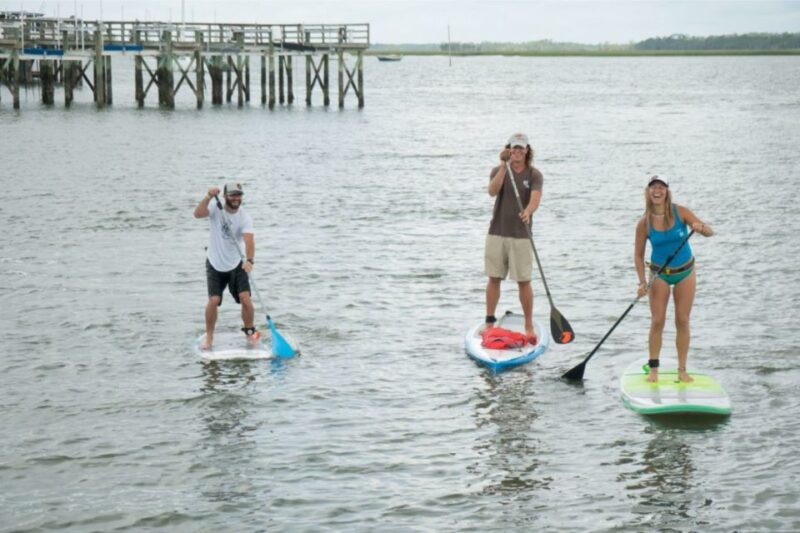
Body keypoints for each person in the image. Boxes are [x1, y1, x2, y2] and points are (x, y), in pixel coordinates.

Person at [634, 175, 714, 383]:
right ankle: (653, 370)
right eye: (653, 187)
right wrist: (642, 282)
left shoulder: (681, 212)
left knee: (682, 319)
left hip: (685, 272)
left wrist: (701, 227)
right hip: (659, 274)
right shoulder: (644, 223)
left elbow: (710, 232)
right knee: (657, 321)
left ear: (667, 191)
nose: (657, 191)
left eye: (661, 187)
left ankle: (682, 370)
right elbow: (638, 255)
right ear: (648, 192)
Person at [484, 132, 543, 338]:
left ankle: (528, 325)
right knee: (494, 277)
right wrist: (503, 166)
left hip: (521, 235)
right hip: (497, 232)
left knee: (524, 281)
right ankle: (489, 321)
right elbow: (492, 191)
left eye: (521, 148)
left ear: (527, 150)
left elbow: (535, 199)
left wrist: (528, 211)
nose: (517, 151)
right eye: (514, 147)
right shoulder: (498, 170)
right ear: (509, 149)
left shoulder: (534, 174)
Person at [193, 182, 260, 350]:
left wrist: (250, 261)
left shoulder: (244, 217)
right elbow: (197, 214)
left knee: (246, 298)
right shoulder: (216, 208)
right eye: (232, 195)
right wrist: (208, 196)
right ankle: (209, 337)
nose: (236, 198)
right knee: (213, 300)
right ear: (225, 197)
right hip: (215, 262)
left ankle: (250, 332)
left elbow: (249, 240)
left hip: (236, 263)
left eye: (238, 195)